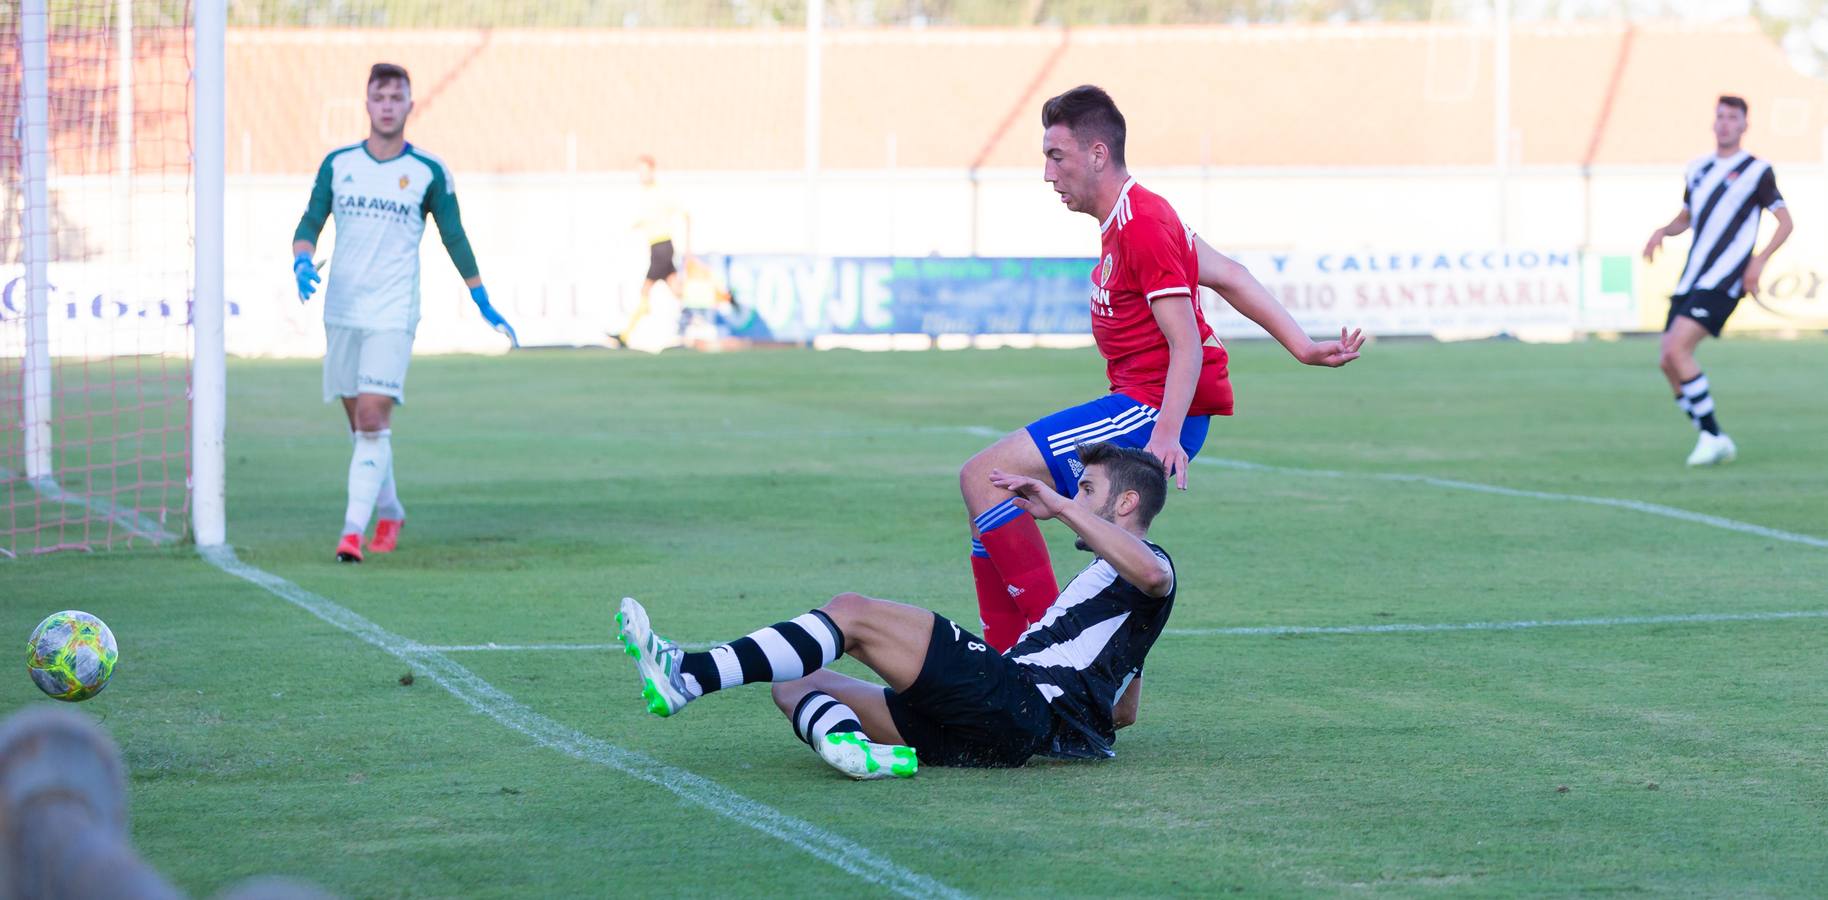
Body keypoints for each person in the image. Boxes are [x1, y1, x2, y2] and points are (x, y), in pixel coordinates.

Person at [959, 84, 1365, 652]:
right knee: (995, 503)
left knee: (983, 477)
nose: (1048, 174)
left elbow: (1187, 345)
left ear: (1098, 154)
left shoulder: (1143, 222)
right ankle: (1013, 664)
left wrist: (1164, 435)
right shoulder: (1131, 218)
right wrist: (1302, 347)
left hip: (1152, 409)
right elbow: (1231, 274)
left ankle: (1043, 654)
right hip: (1146, 405)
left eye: (1056, 156)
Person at [613, 442, 1177, 778]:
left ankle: (687, 675)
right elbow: (1123, 713)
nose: (1072, 499)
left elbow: (1153, 575)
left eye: (1085, 490)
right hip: (1001, 737)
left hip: (1016, 700)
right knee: (794, 682)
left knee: (852, 612)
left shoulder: (1150, 564)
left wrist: (1053, 503)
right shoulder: (1116, 594)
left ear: (1125, 503)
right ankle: (857, 750)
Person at [292, 62, 517, 563]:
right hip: (342, 310)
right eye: (380, 97)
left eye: (397, 97)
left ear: (411, 105)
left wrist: (480, 296)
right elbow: (309, 220)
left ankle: (352, 533)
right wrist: (302, 260)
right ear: (367, 104)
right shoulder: (338, 164)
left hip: (394, 312)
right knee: (362, 429)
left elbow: (453, 235)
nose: (388, 105)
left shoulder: (428, 172)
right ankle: (390, 509)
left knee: (373, 417)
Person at [1641, 95, 1792, 467]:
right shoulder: (1698, 169)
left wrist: (1758, 261)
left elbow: (1786, 222)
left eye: (1733, 117)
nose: (1725, 123)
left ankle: (1710, 435)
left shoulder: (1757, 171)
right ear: (1714, 123)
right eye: (1720, 116)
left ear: (1744, 125)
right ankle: (1713, 436)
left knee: (1678, 350)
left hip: (1724, 279)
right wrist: (1663, 231)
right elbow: (1687, 217)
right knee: (1666, 361)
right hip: (1691, 277)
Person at [613, 155, 691, 347]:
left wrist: (689, 246)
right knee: (677, 290)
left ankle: (625, 335)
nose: (640, 175)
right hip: (657, 247)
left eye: (643, 171)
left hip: (662, 246)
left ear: (652, 171)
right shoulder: (645, 194)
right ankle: (709, 306)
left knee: (645, 290)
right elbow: (648, 219)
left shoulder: (661, 192)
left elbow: (685, 214)